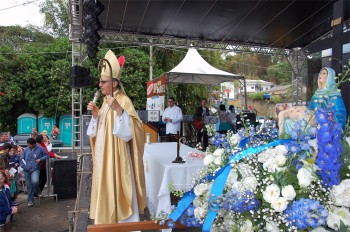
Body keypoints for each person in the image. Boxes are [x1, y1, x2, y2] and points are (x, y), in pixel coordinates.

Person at [86, 50, 146, 224]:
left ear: (114, 83)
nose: (100, 85)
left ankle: (125, 224)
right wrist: (97, 115)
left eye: (103, 82)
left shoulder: (123, 100)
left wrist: (119, 110)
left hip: (118, 159)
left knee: (119, 190)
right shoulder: (106, 101)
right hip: (105, 157)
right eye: (100, 81)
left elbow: (134, 131)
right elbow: (102, 130)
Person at [278, 67, 346, 135]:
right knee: (288, 121)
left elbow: (340, 115)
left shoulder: (334, 96)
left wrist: (331, 119)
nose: (320, 75)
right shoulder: (316, 95)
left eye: (324, 73)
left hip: (324, 126)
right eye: (320, 73)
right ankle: (289, 140)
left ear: (330, 77)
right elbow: (309, 109)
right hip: (311, 122)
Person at [20, 138, 49, 206]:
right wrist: (23, 165)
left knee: (35, 181)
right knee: (29, 185)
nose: (28, 146)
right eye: (27, 144)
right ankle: (30, 200)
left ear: (34, 144)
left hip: (35, 168)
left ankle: (38, 191)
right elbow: (21, 158)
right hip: (26, 169)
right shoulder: (26, 149)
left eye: (29, 145)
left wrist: (40, 159)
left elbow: (47, 155)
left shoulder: (40, 148)